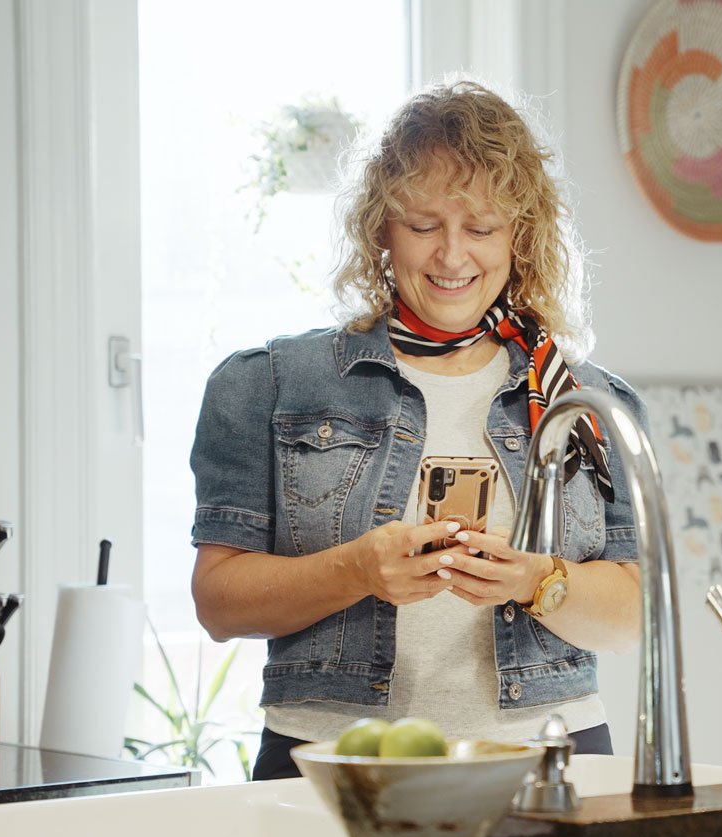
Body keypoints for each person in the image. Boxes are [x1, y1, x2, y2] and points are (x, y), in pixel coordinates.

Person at [188, 81, 646, 782]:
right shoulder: (270, 384)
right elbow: (218, 603)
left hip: (551, 760)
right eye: (424, 225)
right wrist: (358, 569)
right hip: (333, 763)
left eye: (481, 228)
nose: (452, 257)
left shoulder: (586, 401)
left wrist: (534, 579)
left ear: (521, 235)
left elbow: (631, 617)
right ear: (381, 228)